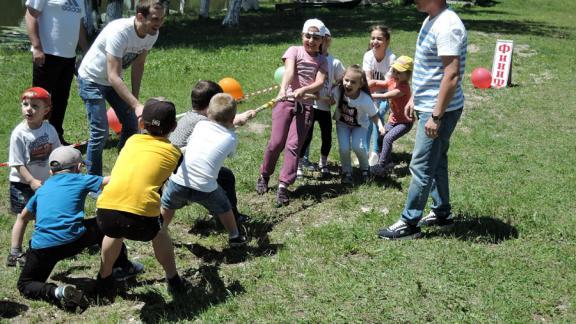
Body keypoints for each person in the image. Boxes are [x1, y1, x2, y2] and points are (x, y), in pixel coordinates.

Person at [378, 0, 467, 240]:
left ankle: (409, 222)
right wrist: (414, 97)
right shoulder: (431, 19)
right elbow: (430, 69)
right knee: (436, 162)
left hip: (440, 110)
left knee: (420, 166)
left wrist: (436, 115)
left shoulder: (447, 25)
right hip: (430, 105)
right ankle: (441, 213)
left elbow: (451, 75)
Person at [16, 146, 141, 312]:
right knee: (105, 225)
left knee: (25, 284)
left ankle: (56, 292)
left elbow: (22, 218)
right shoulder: (80, 179)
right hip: (74, 239)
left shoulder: (41, 190)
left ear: (51, 171)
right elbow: (111, 180)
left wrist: (15, 250)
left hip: (43, 247)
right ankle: (122, 267)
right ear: (78, 167)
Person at [95, 98, 187, 298]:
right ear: (174, 126)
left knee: (113, 233)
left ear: (141, 124)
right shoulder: (174, 152)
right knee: (160, 232)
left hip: (105, 212)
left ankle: (104, 278)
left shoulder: (131, 141)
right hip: (141, 218)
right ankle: (173, 278)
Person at [77, 0, 166, 176]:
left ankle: (122, 168)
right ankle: (94, 181)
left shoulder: (152, 33)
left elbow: (138, 65)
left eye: (162, 18)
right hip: (91, 79)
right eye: (156, 18)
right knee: (100, 133)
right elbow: (113, 76)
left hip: (113, 81)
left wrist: (135, 99)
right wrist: (136, 105)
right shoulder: (120, 32)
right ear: (140, 16)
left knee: (132, 124)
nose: (160, 23)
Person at [256, 18, 328, 207]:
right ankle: (264, 174)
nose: (311, 40)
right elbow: (289, 71)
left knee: (294, 145)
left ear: (322, 40)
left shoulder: (322, 60)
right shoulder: (293, 51)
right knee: (276, 142)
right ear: (302, 35)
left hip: (305, 107)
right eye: (308, 35)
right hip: (286, 102)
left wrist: (304, 91)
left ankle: (283, 186)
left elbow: (320, 82)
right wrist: (284, 89)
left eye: (316, 37)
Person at [161, 93, 248, 246]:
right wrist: (234, 126)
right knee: (224, 207)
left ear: (208, 112)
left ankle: (159, 231)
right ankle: (235, 236)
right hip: (205, 187)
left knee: (167, 205)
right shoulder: (231, 138)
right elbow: (230, 154)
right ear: (233, 117)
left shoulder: (200, 125)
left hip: (179, 180)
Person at [169, 80, 256, 223]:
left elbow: (220, 122)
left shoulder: (191, 116)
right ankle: (232, 216)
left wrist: (238, 118)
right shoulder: (201, 123)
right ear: (211, 105)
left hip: (176, 168)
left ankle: (216, 211)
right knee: (226, 177)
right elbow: (220, 127)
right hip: (181, 172)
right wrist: (237, 121)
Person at [7, 87, 61, 267]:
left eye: (35, 106)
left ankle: (40, 248)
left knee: (42, 215)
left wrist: (60, 168)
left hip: (44, 183)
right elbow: (16, 163)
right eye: (25, 104)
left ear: (46, 110)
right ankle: (14, 252)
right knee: (23, 216)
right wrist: (30, 181)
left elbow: (56, 153)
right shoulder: (19, 134)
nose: (28, 109)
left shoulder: (49, 129)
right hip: (22, 183)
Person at [24, 0, 89, 146]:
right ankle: (35, 140)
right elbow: (30, 15)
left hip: (69, 56)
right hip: (46, 54)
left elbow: (79, 25)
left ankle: (56, 138)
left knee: (60, 100)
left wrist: (86, 50)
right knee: (39, 100)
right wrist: (37, 47)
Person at [298, 27, 345, 178]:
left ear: (328, 41)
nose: (322, 43)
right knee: (306, 136)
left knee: (327, 137)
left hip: (325, 107)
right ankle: (299, 164)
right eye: (320, 39)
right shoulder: (309, 58)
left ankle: (323, 163)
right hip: (310, 105)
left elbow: (342, 81)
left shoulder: (335, 62)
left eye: (325, 40)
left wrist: (334, 95)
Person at [333, 65, 385, 185]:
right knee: (344, 148)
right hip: (342, 124)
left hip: (360, 126)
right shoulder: (338, 91)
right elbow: (329, 98)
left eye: (353, 82)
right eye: (346, 80)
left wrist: (380, 126)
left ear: (360, 84)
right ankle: (347, 172)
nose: (348, 84)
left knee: (359, 147)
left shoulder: (365, 99)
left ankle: (365, 169)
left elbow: (374, 115)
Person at [370, 56, 415, 177]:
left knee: (388, 138)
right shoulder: (392, 81)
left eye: (399, 72)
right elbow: (380, 83)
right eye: (394, 71)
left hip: (404, 122)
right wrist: (369, 84)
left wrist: (372, 95)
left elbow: (387, 95)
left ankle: (382, 165)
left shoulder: (404, 88)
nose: (395, 74)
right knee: (381, 137)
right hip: (393, 119)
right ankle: (388, 161)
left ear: (408, 75)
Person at [363, 25, 396, 165]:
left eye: (379, 39)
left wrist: (376, 83)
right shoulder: (368, 55)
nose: (375, 41)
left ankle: (375, 151)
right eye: (373, 38)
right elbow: (368, 82)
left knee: (379, 115)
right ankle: (365, 152)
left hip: (388, 95)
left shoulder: (391, 57)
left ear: (387, 42)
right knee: (369, 121)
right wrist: (377, 84)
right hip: (370, 94)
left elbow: (390, 84)